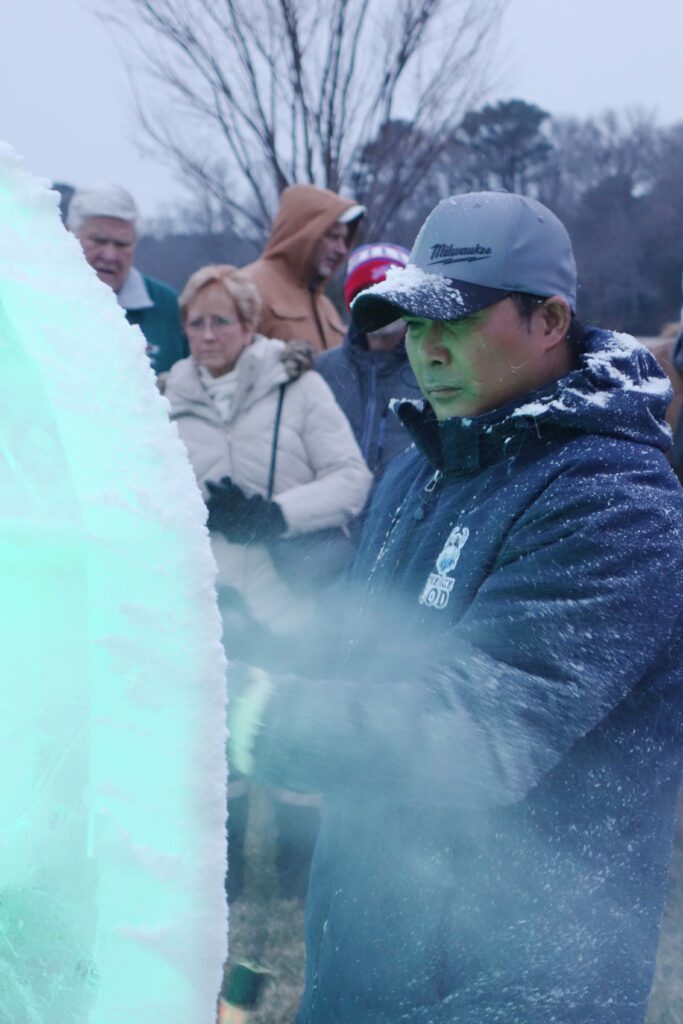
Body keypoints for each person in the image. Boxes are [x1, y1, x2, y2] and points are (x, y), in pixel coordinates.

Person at [229, 192, 683, 1023]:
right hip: (369, 942)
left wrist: (252, 714)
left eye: (457, 321)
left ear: (549, 320)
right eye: (411, 321)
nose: (426, 348)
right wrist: (230, 641)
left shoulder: (615, 503)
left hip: (512, 976)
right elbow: (366, 656)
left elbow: (476, 729)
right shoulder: (424, 463)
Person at [163, 264, 372, 902]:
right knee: (213, 751)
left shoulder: (297, 387)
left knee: (294, 739)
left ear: (249, 323)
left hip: (293, 602)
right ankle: (217, 882)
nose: (205, 335)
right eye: (194, 323)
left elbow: (352, 479)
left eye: (219, 321)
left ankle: (293, 881)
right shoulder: (163, 398)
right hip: (212, 607)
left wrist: (274, 515)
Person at [316, 242, 422, 480]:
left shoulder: (435, 366)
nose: (380, 303)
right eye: (367, 292)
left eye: (391, 290)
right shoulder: (321, 369)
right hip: (335, 511)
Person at [68, 183, 187, 373]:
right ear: (69, 235)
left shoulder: (169, 306)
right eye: (98, 240)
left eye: (122, 244)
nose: (109, 255)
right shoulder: (35, 298)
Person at [242, 184, 364, 351]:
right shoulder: (246, 288)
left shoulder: (325, 307)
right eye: (333, 237)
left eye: (344, 239)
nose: (342, 249)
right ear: (302, 234)